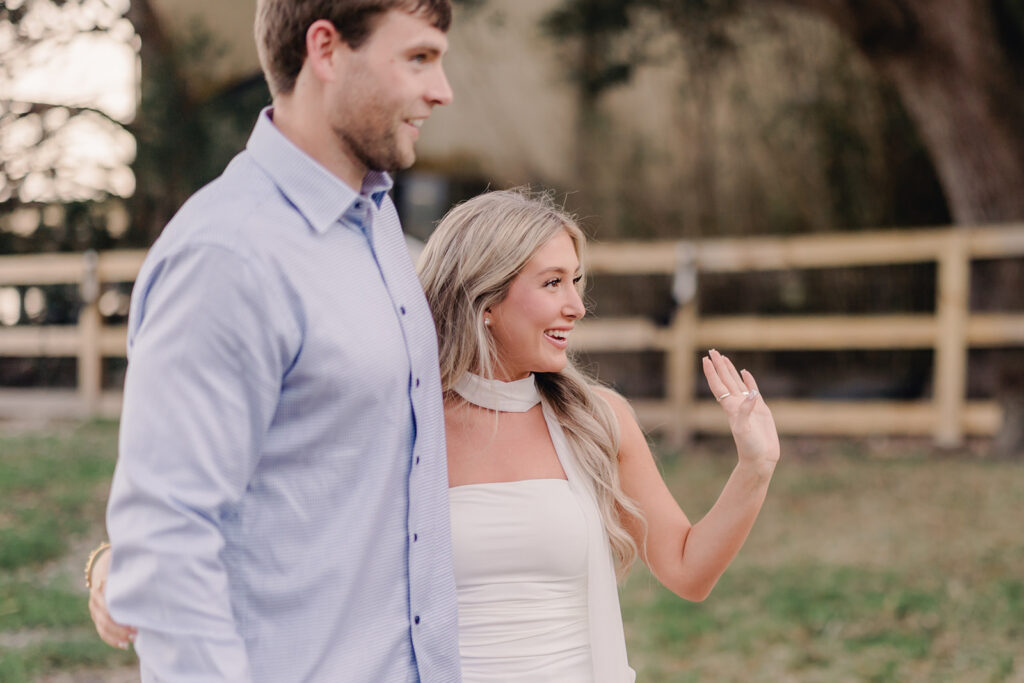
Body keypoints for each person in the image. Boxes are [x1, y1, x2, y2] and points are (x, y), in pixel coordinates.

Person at [92, 189, 781, 682]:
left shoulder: (599, 417)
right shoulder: (396, 420)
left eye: (577, 281)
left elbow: (689, 570)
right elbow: (255, 527)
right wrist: (110, 565)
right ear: (485, 301)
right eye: (551, 282)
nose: (576, 304)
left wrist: (754, 465)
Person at [89, 0, 461, 681]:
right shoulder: (228, 256)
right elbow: (168, 542)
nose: (442, 89)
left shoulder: (378, 227)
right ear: (326, 50)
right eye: (418, 58)